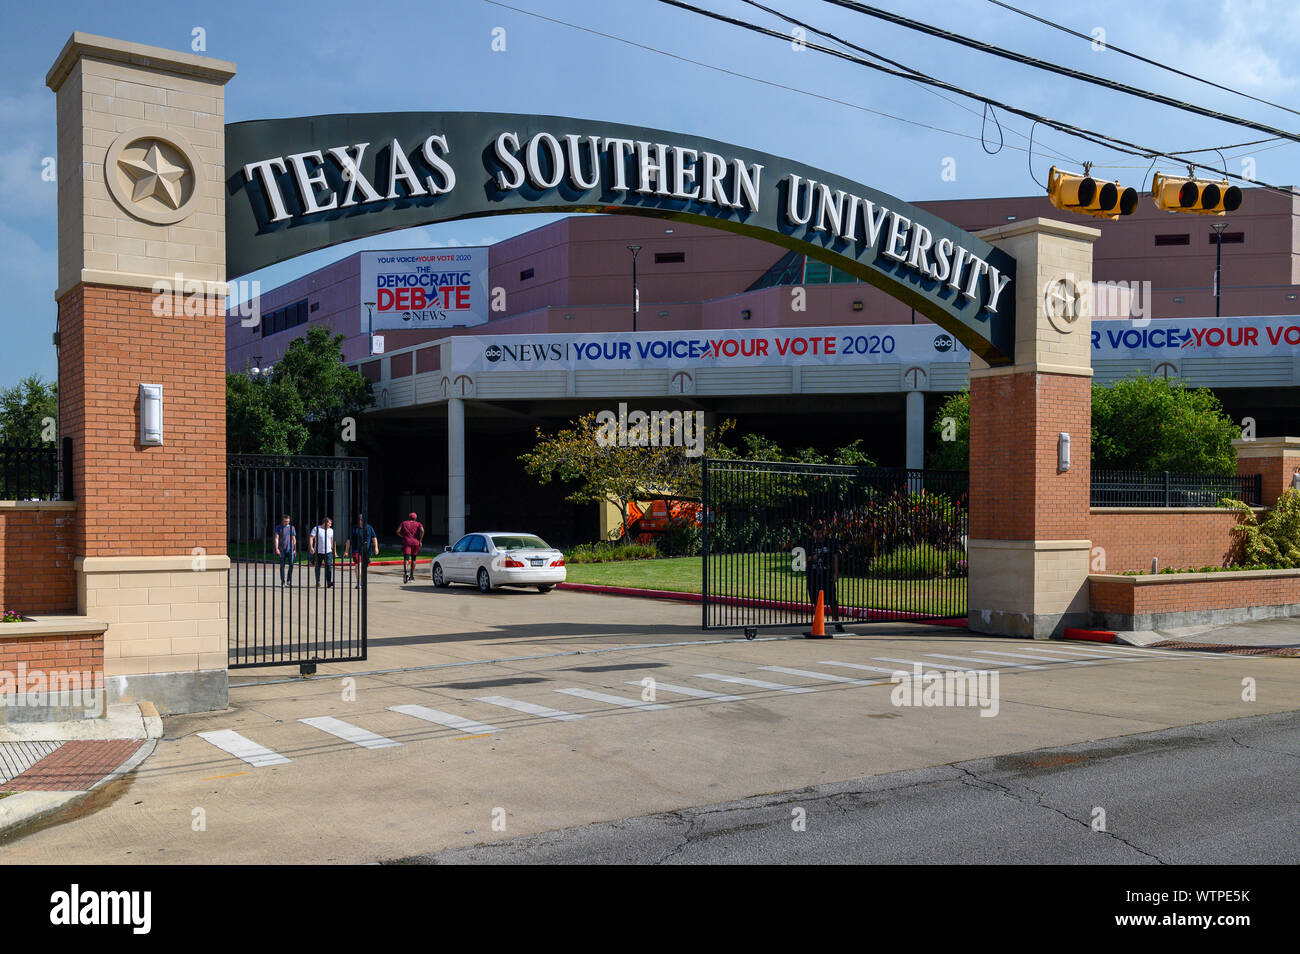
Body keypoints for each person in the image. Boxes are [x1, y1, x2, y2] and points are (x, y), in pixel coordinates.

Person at [345, 513, 379, 590]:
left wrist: (376, 548)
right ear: (359, 520)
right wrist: (346, 551)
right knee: (358, 565)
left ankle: (361, 580)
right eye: (361, 519)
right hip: (356, 550)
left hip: (366, 551)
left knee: (364, 566)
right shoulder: (354, 528)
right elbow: (348, 540)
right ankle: (359, 582)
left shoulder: (369, 528)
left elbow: (374, 538)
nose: (363, 521)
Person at [396, 511, 425, 583]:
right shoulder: (418, 524)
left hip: (406, 542)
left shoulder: (404, 523)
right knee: (413, 559)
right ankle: (411, 576)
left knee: (406, 558)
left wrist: (403, 536)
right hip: (415, 542)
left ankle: (406, 573)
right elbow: (422, 531)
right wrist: (420, 540)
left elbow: (397, 531)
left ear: (409, 517)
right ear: (415, 518)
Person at [309, 516, 335, 588]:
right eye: (330, 523)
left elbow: (332, 540)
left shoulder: (331, 530)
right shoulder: (316, 528)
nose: (330, 525)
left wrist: (334, 551)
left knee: (328, 566)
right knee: (317, 567)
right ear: (325, 523)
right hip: (318, 552)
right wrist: (311, 547)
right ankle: (318, 581)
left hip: (328, 552)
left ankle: (329, 582)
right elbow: (311, 538)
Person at [273, 514, 297, 586]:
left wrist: (295, 549)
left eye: (288, 521)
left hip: (290, 549)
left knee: (291, 565)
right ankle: (282, 581)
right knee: (282, 566)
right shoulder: (278, 527)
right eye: (285, 521)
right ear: (282, 521)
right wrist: (276, 548)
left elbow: (294, 539)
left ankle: (288, 580)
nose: (286, 522)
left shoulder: (292, 528)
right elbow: (276, 538)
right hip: (282, 549)